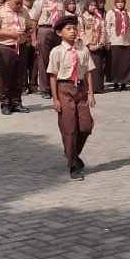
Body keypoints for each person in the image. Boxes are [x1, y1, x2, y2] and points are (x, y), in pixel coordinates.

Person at [47, 15, 96, 180]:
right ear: (59, 32)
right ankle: (73, 166)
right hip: (64, 88)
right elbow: (52, 76)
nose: (73, 31)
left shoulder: (83, 50)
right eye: (68, 29)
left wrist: (91, 94)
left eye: (75, 28)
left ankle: (72, 153)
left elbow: (88, 72)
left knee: (86, 126)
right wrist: (55, 98)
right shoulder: (57, 52)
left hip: (80, 89)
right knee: (69, 128)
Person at [0, 0, 35, 115]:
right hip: (6, 47)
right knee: (5, 77)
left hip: (21, 46)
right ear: (9, 0)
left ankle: (16, 102)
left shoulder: (24, 11)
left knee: (19, 76)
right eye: (16, 3)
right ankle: (5, 103)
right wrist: (11, 34)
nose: (19, 5)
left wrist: (29, 30)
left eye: (20, 2)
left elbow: (30, 25)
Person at [30, 0, 63, 99]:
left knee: (57, 59)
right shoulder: (39, 2)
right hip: (44, 30)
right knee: (43, 61)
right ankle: (44, 88)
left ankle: (57, 87)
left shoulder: (59, 2)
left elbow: (62, 18)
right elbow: (33, 21)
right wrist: (34, 39)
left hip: (57, 32)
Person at [105, 0, 130, 91]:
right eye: (118, 2)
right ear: (115, 3)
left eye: (122, 2)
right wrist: (107, 41)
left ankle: (124, 83)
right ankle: (115, 83)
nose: (120, 4)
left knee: (125, 64)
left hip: (126, 42)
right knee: (115, 64)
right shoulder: (110, 13)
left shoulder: (129, 13)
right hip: (114, 42)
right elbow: (107, 28)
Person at [80, 0, 107, 93]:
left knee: (98, 67)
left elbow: (103, 31)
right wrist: (88, 44)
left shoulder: (98, 17)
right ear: (87, 6)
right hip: (87, 46)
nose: (93, 7)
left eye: (95, 5)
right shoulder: (82, 17)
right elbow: (81, 32)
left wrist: (101, 43)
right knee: (88, 68)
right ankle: (88, 88)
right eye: (91, 5)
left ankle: (98, 87)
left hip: (98, 45)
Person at [22, 0, 38, 94]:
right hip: (24, 37)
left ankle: (33, 85)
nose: (28, 1)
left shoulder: (36, 10)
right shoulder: (21, 10)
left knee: (34, 63)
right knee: (23, 63)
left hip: (35, 37)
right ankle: (23, 86)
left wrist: (35, 39)